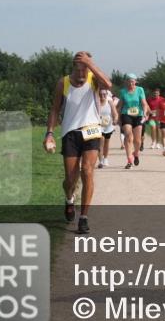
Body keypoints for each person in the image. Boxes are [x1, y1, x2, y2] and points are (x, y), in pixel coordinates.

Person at [43, 51, 113, 235]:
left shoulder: (94, 79)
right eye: (80, 68)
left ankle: (84, 218)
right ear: (74, 66)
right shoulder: (63, 82)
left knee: (87, 171)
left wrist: (91, 64)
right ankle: (69, 198)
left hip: (92, 130)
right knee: (70, 178)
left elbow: (108, 84)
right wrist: (49, 133)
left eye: (86, 69)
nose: (82, 74)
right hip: (70, 132)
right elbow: (54, 109)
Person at [117, 74, 147, 169]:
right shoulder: (123, 91)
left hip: (138, 115)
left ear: (135, 82)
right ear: (126, 82)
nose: (130, 83)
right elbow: (120, 106)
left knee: (137, 141)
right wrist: (118, 117)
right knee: (128, 136)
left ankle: (136, 153)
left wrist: (145, 113)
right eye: (129, 81)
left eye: (132, 81)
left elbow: (144, 103)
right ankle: (129, 160)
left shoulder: (140, 90)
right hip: (126, 114)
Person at [97, 87, 118, 168]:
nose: (102, 96)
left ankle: (105, 158)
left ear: (107, 94)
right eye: (101, 94)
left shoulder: (109, 102)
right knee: (101, 141)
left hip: (108, 126)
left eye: (104, 94)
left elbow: (115, 113)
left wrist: (115, 119)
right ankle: (100, 161)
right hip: (99, 125)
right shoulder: (96, 102)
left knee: (107, 142)